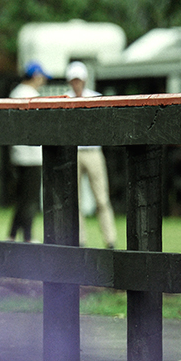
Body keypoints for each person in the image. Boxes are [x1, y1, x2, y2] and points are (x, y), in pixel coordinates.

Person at [66, 61, 117, 249]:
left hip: (93, 151)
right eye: (73, 80)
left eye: (78, 80)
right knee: (75, 201)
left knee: (102, 198)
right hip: (75, 152)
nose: (76, 84)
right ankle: (79, 240)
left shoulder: (95, 98)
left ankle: (110, 240)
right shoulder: (66, 99)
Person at [8, 60, 49, 242]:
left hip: (17, 154)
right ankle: (28, 237)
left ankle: (12, 235)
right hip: (32, 156)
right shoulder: (31, 95)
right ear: (35, 76)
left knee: (22, 199)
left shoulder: (14, 93)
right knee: (30, 199)